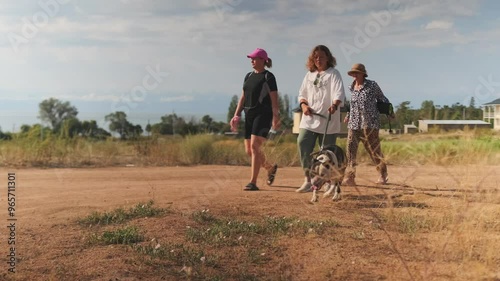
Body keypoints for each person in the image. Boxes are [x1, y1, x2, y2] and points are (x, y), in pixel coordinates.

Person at [296, 45, 346, 193]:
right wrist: (304, 105)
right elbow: (301, 94)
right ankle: (308, 179)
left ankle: (330, 182)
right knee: (302, 143)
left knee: (327, 154)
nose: (318, 59)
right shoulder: (309, 75)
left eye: (322, 56)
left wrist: (335, 105)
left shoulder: (333, 74)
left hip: (328, 120)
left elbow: (339, 93)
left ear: (328, 58)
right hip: (310, 119)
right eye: (315, 57)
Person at [230, 48, 280, 191]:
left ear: (263, 60)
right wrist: (236, 115)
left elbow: (274, 99)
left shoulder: (268, 77)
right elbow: (243, 97)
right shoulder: (248, 76)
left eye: (254, 58)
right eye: (251, 58)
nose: (252, 61)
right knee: (249, 150)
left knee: (255, 147)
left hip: (263, 115)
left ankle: (253, 182)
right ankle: (270, 168)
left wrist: (276, 116)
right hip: (249, 115)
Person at [343, 63, 395, 186]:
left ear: (363, 74)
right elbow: (352, 105)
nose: (354, 75)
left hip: (370, 123)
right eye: (353, 73)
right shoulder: (352, 87)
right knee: (350, 149)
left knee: (374, 150)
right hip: (354, 123)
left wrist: (390, 112)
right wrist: (348, 116)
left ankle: (382, 173)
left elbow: (382, 99)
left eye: (357, 73)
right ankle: (350, 176)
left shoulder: (372, 85)